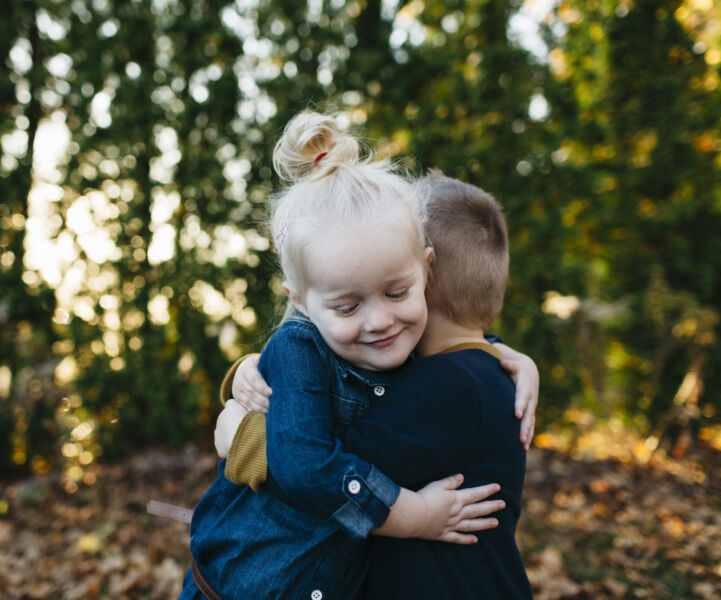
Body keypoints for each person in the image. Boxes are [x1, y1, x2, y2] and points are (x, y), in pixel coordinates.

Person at [179, 112, 506, 600]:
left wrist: (500, 355)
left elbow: (456, 344)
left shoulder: (405, 344)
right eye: (348, 306)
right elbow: (304, 465)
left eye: (397, 293)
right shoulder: (299, 348)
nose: (378, 321)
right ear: (301, 301)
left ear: (427, 270)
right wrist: (414, 515)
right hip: (239, 589)